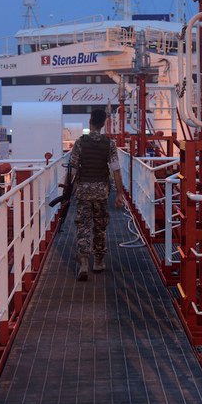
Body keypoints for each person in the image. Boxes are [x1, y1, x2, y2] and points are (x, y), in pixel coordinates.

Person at [70, 109, 124, 281]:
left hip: (84, 190)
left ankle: (84, 262)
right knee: (99, 226)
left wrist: (69, 191)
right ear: (103, 124)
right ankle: (99, 261)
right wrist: (119, 194)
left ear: (90, 122)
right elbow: (116, 170)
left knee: (83, 225)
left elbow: (73, 168)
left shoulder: (80, 143)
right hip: (102, 191)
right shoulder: (110, 144)